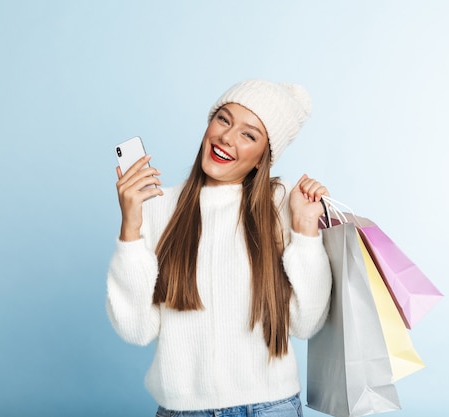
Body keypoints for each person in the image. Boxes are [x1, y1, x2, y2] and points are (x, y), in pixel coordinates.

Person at [107, 79, 332, 417]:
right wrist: (130, 228)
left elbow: (307, 323)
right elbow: (136, 330)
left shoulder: (282, 202)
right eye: (223, 119)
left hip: (271, 407)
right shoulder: (156, 206)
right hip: (184, 411)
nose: (227, 137)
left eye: (249, 134)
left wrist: (305, 230)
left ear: (262, 159)